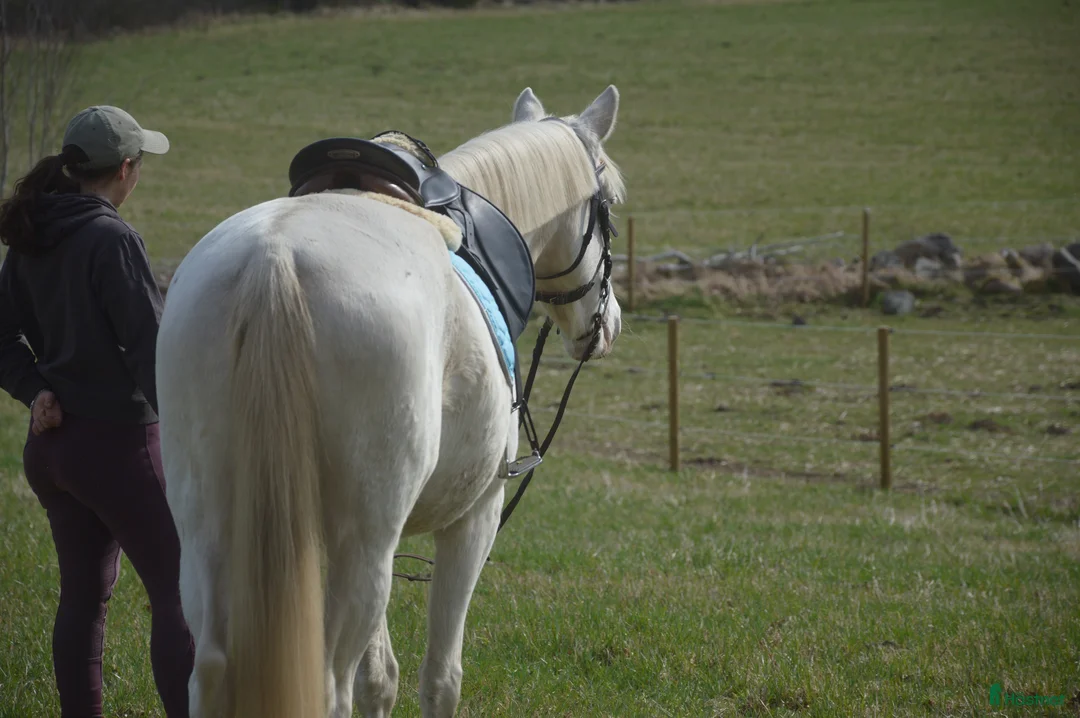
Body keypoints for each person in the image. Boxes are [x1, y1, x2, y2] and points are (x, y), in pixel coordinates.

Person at [0, 106, 194, 718]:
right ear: (127, 168)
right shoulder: (112, 238)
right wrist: (191, 434)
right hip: (120, 451)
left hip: (53, 451)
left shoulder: (34, 229)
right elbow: (148, 351)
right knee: (180, 593)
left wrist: (35, 390)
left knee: (82, 600)